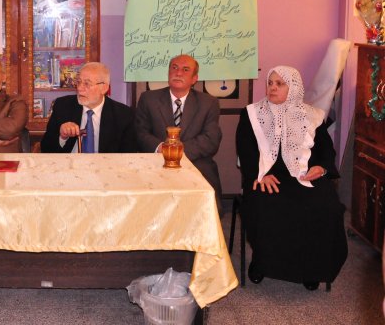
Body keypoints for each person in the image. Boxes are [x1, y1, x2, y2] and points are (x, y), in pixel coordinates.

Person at [236, 65, 347, 291]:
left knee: (326, 206)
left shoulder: (313, 116)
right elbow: (246, 151)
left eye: (280, 83)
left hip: (303, 175)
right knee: (266, 205)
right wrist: (260, 175)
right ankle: (261, 262)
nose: (272, 88)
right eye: (270, 83)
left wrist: (321, 168)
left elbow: (326, 151)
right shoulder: (252, 114)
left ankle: (312, 268)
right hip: (267, 177)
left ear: (294, 87)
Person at [135, 54, 223, 209]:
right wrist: (162, 149)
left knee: (204, 208)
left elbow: (211, 139)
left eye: (185, 69)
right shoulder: (148, 99)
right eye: (174, 68)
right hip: (157, 162)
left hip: (195, 163)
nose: (178, 73)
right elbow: (140, 132)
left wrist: (175, 152)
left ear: (194, 78)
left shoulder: (208, 103)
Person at [41, 62, 137, 153]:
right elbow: (45, 149)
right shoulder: (63, 106)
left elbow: (127, 155)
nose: (79, 88)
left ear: (104, 88)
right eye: (78, 82)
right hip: (70, 163)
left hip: (105, 164)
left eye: (87, 84)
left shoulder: (123, 115)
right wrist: (62, 137)